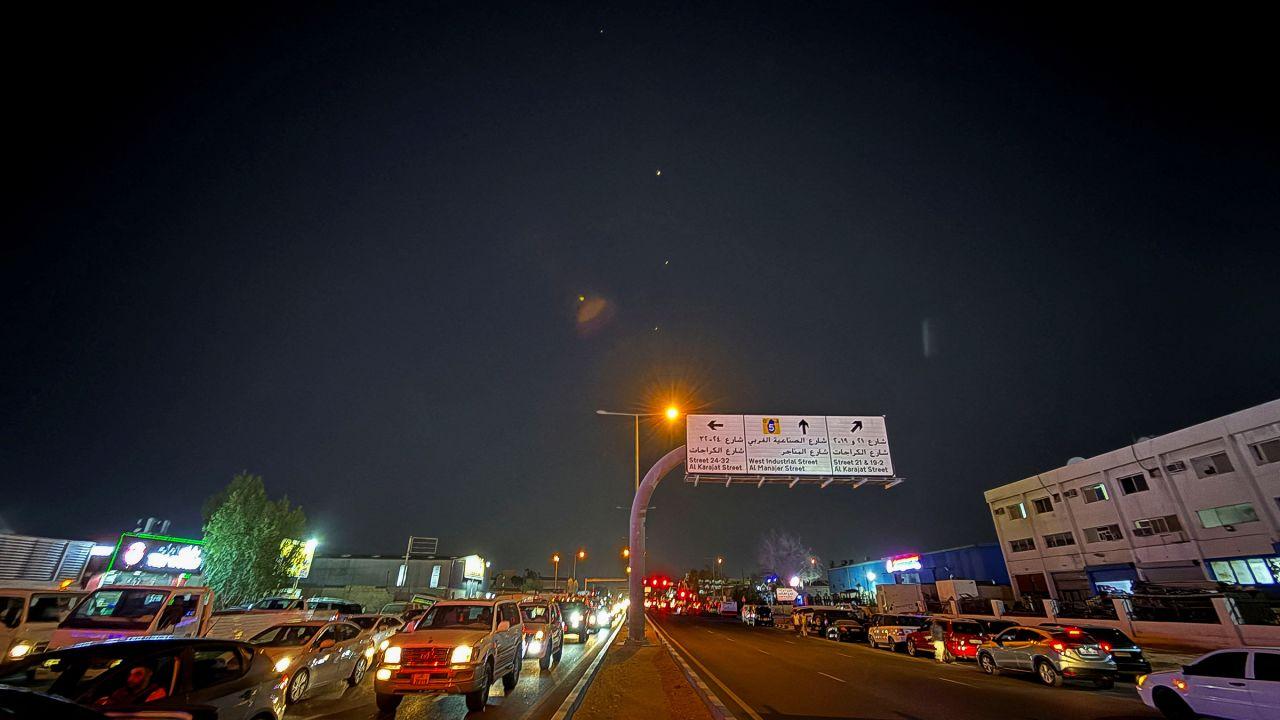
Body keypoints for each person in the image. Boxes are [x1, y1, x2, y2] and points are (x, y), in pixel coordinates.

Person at [96, 665, 168, 706]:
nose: (130, 679)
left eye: (138, 674)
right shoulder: (121, 691)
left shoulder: (156, 692)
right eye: (130, 675)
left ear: (149, 674)